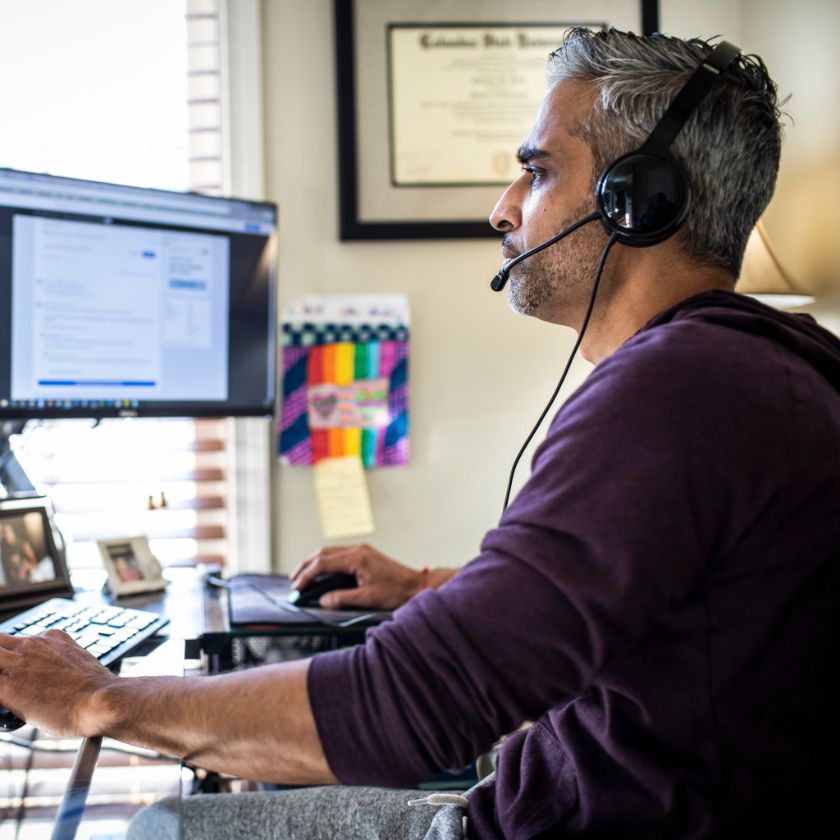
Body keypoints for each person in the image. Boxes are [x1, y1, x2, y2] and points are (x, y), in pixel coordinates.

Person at [1, 27, 839, 839]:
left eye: (536, 171)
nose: (502, 210)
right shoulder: (767, 372)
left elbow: (413, 708)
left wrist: (96, 700)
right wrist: (430, 587)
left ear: (637, 200)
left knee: (168, 825)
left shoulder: (677, 393)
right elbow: (660, 598)